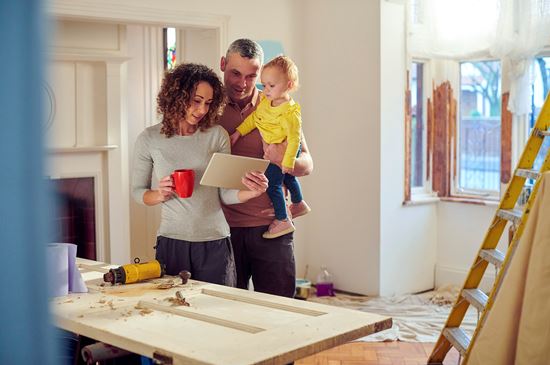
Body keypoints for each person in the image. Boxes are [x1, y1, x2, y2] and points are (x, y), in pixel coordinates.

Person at [131, 62, 268, 286]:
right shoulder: (149, 139)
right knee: (174, 313)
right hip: (172, 242)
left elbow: (224, 194)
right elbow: (138, 192)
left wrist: (251, 192)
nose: (202, 110)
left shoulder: (217, 136)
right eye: (196, 101)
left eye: (208, 103)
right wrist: (159, 194)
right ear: (176, 96)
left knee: (218, 313)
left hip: (215, 241)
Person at [219, 39, 314, 298]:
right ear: (222, 65)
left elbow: (307, 163)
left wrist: (286, 158)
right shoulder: (207, 108)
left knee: (280, 311)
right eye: (235, 73)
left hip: (272, 226)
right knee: (228, 311)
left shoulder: (277, 106)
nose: (243, 83)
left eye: (252, 76)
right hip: (223, 229)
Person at [230, 55, 311, 239]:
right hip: (233, 223)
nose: (265, 90)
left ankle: (282, 220)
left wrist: (287, 161)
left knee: (273, 183)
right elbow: (255, 119)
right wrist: (238, 133)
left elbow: (294, 139)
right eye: (264, 85)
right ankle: (299, 203)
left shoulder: (291, 114)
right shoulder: (266, 103)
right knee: (288, 179)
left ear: (288, 85)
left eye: (271, 86)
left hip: (285, 152)